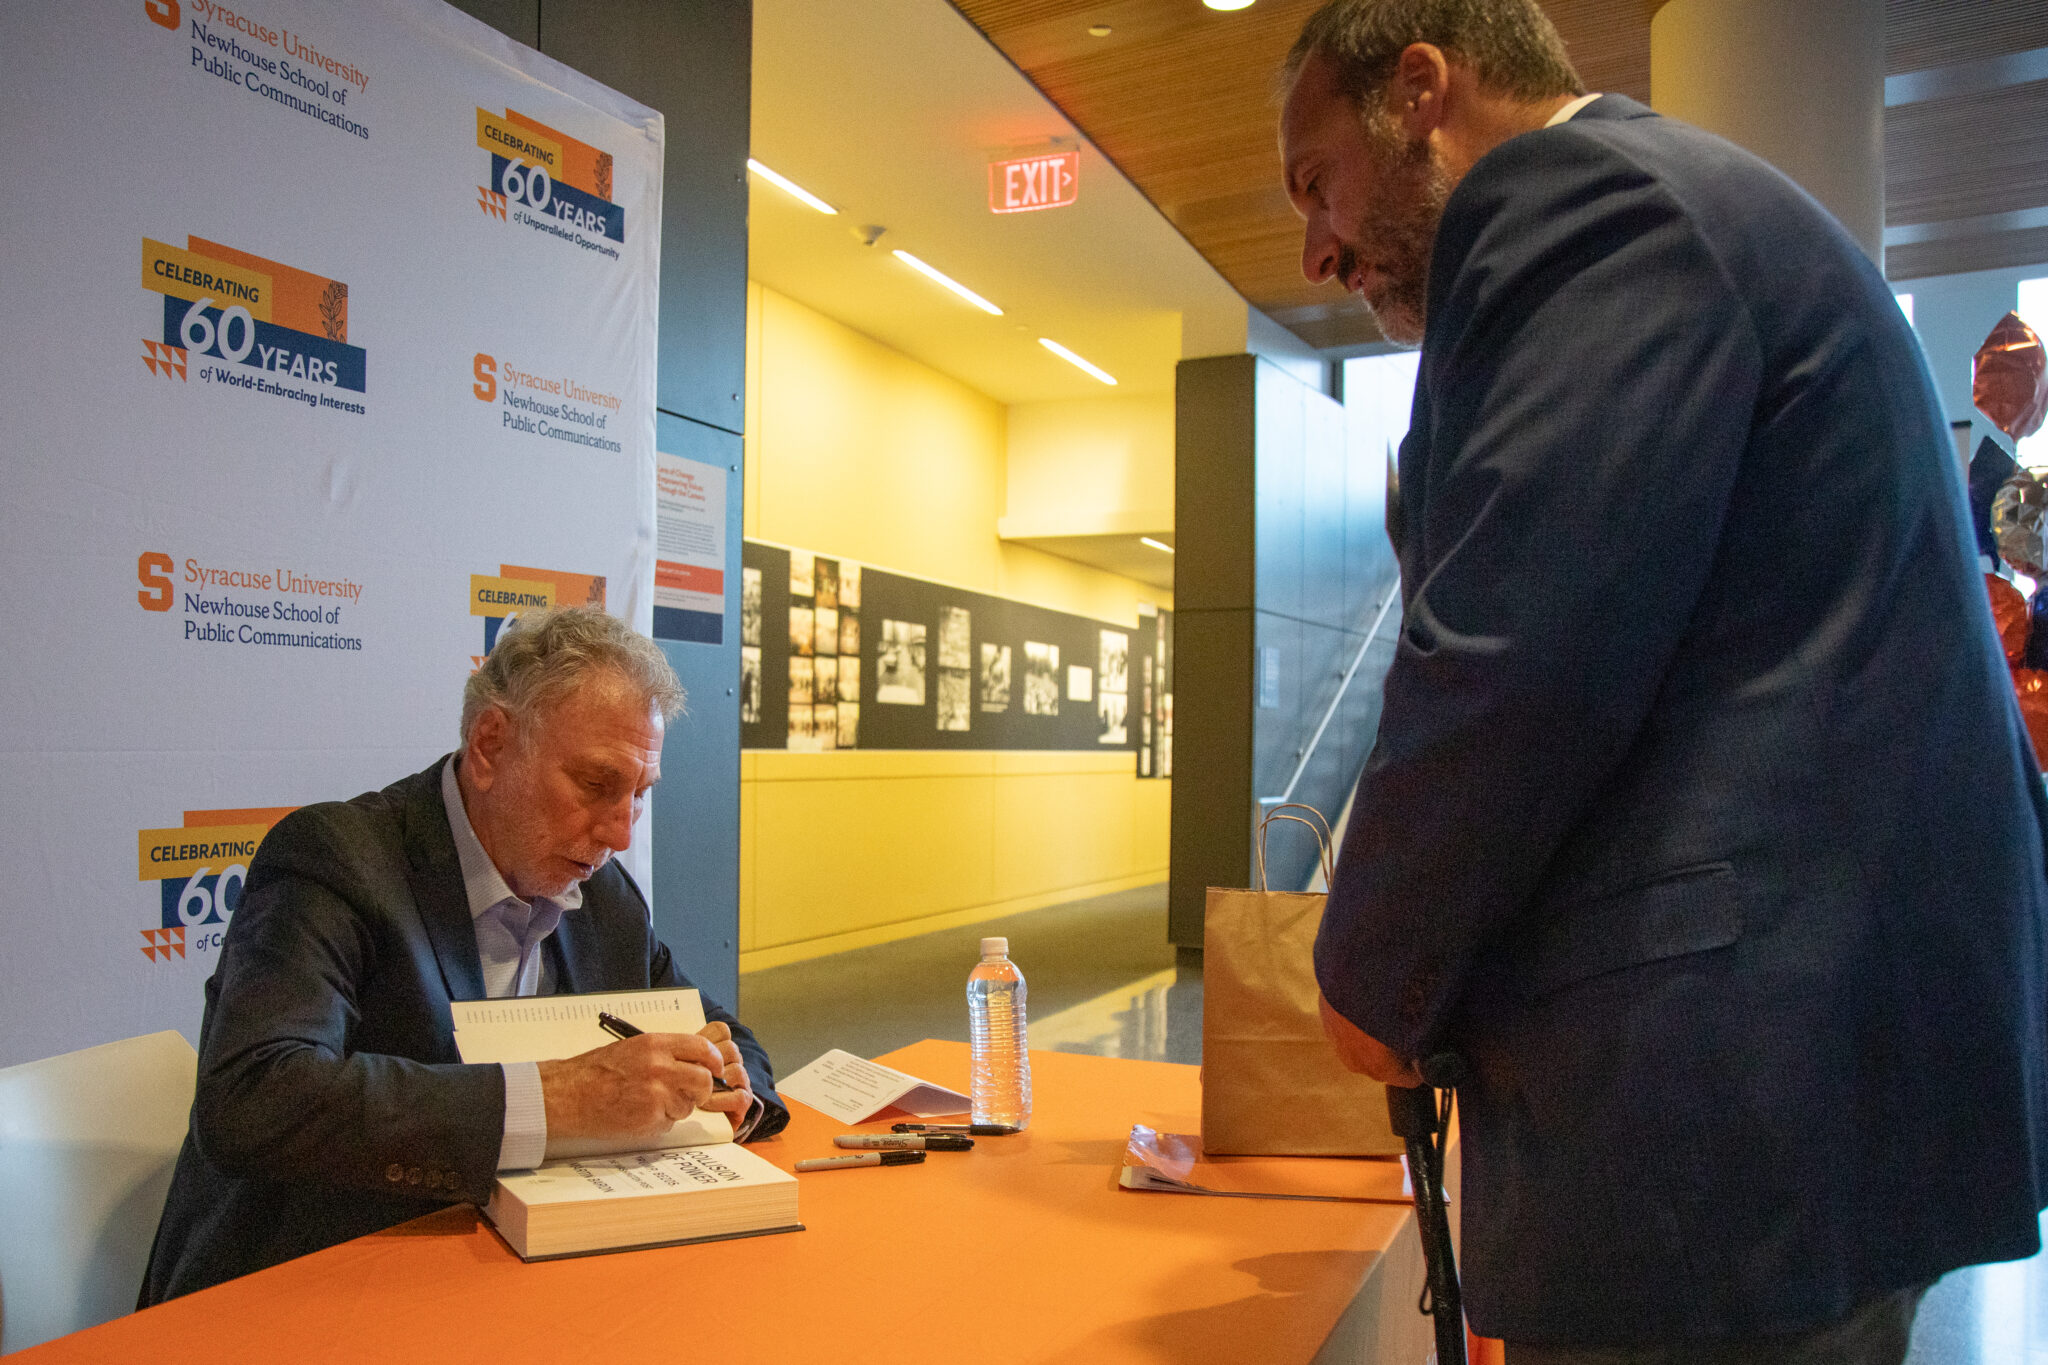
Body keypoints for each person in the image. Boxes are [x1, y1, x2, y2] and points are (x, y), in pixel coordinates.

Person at [1279, 2, 2048, 1359]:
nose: (1315, 246)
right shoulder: (1694, 208)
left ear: (1420, 91)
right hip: (1821, 1092)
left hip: (1722, 1131)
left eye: (1315, 181)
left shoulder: (1577, 207)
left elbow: (1517, 656)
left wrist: (1370, 972)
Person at [142, 607, 788, 1303]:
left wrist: (718, 1082)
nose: (619, 832)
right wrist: (561, 1098)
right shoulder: (336, 859)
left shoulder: (601, 894)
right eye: (597, 784)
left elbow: (731, 1039)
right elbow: (256, 1098)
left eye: (639, 794)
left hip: (502, 1279)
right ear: (489, 744)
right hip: (298, 1289)